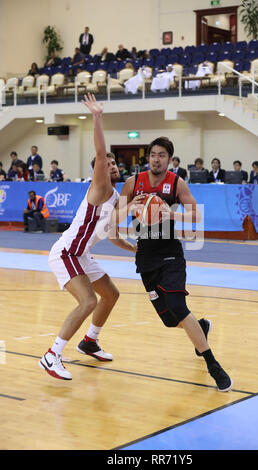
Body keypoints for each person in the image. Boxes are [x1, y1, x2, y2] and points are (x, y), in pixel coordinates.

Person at [116, 136, 233, 392]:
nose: (156, 159)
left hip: (170, 253)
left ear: (170, 159)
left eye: (161, 155)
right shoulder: (132, 183)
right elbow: (112, 219)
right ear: (148, 158)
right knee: (170, 320)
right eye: (153, 155)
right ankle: (200, 327)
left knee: (178, 305)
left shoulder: (176, 183)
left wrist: (172, 213)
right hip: (145, 256)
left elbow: (196, 215)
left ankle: (213, 365)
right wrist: (128, 210)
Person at [39, 94, 137, 381]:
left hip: (81, 255)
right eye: (106, 161)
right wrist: (97, 116)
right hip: (66, 252)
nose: (112, 164)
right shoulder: (100, 187)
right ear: (99, 167)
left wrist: (133, 249)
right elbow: (100, 150)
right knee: (88, 302)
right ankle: (51, 355)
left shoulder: (117, 198)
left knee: (111, 294)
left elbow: (113, 234)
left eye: (114, 161)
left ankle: (90, 341)